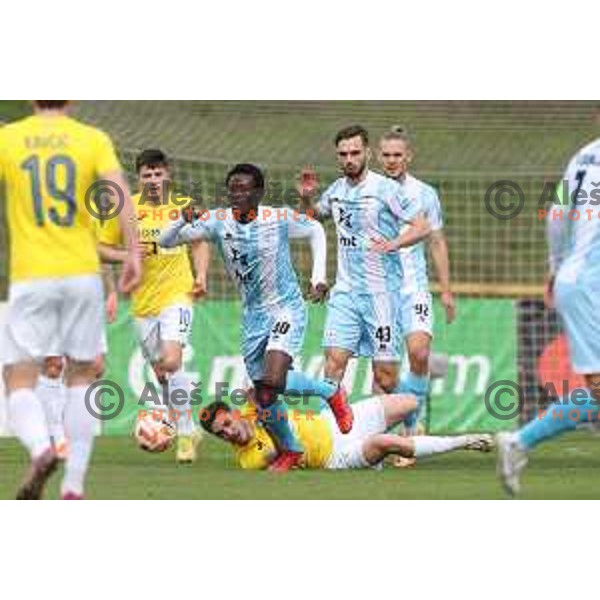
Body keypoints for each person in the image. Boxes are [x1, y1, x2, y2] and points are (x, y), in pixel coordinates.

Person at [160, 163, 352, 472]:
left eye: (245, 189)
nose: (237, 194)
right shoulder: (218, 222)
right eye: (233, 189)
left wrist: (319, 278)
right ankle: (290, 449)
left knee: (273, 380)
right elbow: (166, 241)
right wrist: (181, 219)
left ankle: (331, 391)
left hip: (286, 308)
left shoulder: (276, 219)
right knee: (263, 395)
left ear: (259, 193)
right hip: (252, 318)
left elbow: (316, 229)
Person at [0, 101, 141, 499]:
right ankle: (74, 485)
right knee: (83, 374)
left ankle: (42, 448)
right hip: (82, 274)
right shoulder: (91, 138)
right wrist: (133, 252)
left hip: (32, 276)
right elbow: (120, 195)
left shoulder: (9, 138)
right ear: (71, 98)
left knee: (19, 378)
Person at [297, 125, 430, 415]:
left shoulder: (387, 189)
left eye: (355, 152)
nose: (349, 159)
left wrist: (394, 243)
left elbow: (423, 226)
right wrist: (307, 198)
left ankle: (382, 435)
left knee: (386, 377)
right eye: (343, 154)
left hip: (382, 295)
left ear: (367, 153)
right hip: (345, 293)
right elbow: (314, 218)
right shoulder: (336, 190)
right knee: (333, 362)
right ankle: (326, 435)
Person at [497, 137, 600, 496]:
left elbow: (557, 214)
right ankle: (519, 441)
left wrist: (556, 267)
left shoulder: (583, 156)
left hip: (575, 278)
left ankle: (519, 442)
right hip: (590, 285)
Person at [96, 149, 208, 463]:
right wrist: (126, 257)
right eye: (147, 175)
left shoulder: (182, 207)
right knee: (162, 373)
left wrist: (200, 276)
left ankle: (184, 433)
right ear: (139, 177)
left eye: (159, 174)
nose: (154, 180)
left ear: (167, 175)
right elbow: (101, 249)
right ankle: (185, 426)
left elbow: (199, 241)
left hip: (178, 295)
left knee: (172, 361)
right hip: (143, 304)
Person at [378, 126, 456, 466]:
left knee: (419, 353)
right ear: (378, 157)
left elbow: (436, 241)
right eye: (387, 155)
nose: (392, 160)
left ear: (408, 157)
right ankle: (404, 426)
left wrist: (447, 290)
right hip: (379, 291)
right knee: (386, 375)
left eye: (398, 155)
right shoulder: (368, 192)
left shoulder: (425, 193)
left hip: (415, 287)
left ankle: (411, 431)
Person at [199, 392, 493, 470]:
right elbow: (278, 448)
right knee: (385, 442)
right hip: (336, 456)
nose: (228, 433)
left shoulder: (251, 411)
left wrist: (258, 396)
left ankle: (410, 438)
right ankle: (464, 441)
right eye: (221, 434)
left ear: (235, 414)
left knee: (409, 403)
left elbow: (258, 384)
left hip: (334, 422)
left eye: (226, 424)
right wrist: (266, 411)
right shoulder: (248, 459)